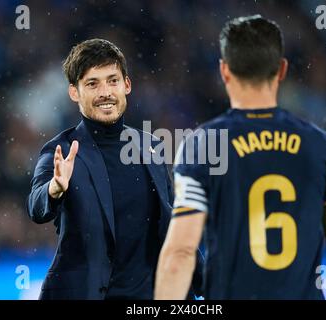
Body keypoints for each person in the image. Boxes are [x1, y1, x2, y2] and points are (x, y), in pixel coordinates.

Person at [155, 15, 326, 299]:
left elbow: (181, 251)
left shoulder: (204, 144)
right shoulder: (319, 144)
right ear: (281, 70)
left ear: (224, 71)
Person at [26, 39, 202, 300]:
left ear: (126, 85)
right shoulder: (61, 151)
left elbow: (172, 221)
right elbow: (36, 206)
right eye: (92, 83)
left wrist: (207, 282)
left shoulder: (151, 146)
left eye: (112, 80)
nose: (105, 92)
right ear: (74, 92)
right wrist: (54, 189)